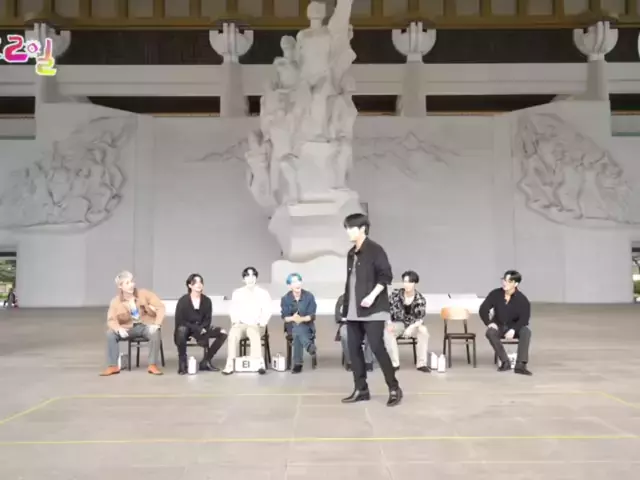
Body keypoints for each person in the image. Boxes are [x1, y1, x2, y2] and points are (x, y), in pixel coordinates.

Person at [340, 213, 403, 407]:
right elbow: (351, 283)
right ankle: (361, 389)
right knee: (353, 349)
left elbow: (386, 276)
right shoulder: (351, 253)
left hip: (373, 309)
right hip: (353, 310)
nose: (348, 232)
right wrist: (345, 309)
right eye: (346, 228)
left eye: (351, 228)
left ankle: (394, 387)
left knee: (377, 347)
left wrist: (372, 296)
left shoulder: (376, 250)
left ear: (362, 229)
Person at [101, 271, 165, 376]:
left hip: (145, 325)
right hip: (128, 328)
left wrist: (157, 324)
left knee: (155, 332)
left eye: (131, 282)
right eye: (127, 283)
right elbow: (111, 320)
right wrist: (118, 329)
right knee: (110, 334)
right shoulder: (115, 302)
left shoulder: (143, 294)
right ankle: (113, 366)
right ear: (120, 286)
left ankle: (152, 365)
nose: (131, 285)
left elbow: (160, 307)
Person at [479, 270, 532, 376]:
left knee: (526, 331)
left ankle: (520, 365)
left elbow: (524, 319)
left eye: (509, 281)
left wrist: (514, 329)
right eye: (504, 280)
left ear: (516, 284)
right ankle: (505, 361)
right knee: (490, 332)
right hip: (499, 325)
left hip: (514, 327)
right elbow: (483, 309)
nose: (505, 283)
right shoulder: (495, 294)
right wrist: (489, 323)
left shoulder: (522, 299)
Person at [174, 273, 228, 374]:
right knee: (181, 330)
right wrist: (197, 328)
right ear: (190, 285)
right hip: (187, 329)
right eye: (195, 282)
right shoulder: (183, 301)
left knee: (223, 332)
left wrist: (202, 328)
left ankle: (206, 361)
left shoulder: (207, 301)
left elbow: (207, 319)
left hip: (202, 328)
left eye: (200, 282)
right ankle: (182, 363)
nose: (199, 284)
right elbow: (180, 321)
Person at [223, 267, 272, 375]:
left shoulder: (263, 293)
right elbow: (233, 309)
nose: (250, 278)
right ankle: (230, 363)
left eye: (253, 275)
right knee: (233, 334)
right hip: (241, 324)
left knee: (252, 331)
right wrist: (235, 322)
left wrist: (261, 322)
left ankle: (258, 362)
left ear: (256, 278)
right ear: (243, 279)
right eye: (247, 276)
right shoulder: (237, 293)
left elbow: (267, 310)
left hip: (256, 325)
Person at [385, 270, 430, 372]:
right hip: (398, 323)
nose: (407, 285)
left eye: (410, 282)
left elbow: (420, 318)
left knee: (423, 331)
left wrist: (410, 328)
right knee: (388, 331)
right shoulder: (395, 295)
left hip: (414, 325)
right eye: (405, 282)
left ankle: (421, 364)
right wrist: (389, 323)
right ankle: (394, 364)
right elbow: (387, 310)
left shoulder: (419, 299)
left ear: (414, 283)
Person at [280, 273, 318, 373]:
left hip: (307, 325)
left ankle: (298, 364)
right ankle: (309, 346)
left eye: (298, 281)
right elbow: (285, 317)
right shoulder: (285, 298)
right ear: (289, 286)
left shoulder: (309, 296)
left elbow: (312, 316)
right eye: (294, 282)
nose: (297, 284)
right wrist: (293, 318)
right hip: (291, 326)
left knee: (297, 330)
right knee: (296, 328)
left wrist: (301, 319)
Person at [335, 294, 373, 372]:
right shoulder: (342, 298)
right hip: (348, 324)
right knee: (344, 335)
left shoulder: (368, 298)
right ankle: (350, 361)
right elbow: (338, 316)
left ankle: (368, 361)